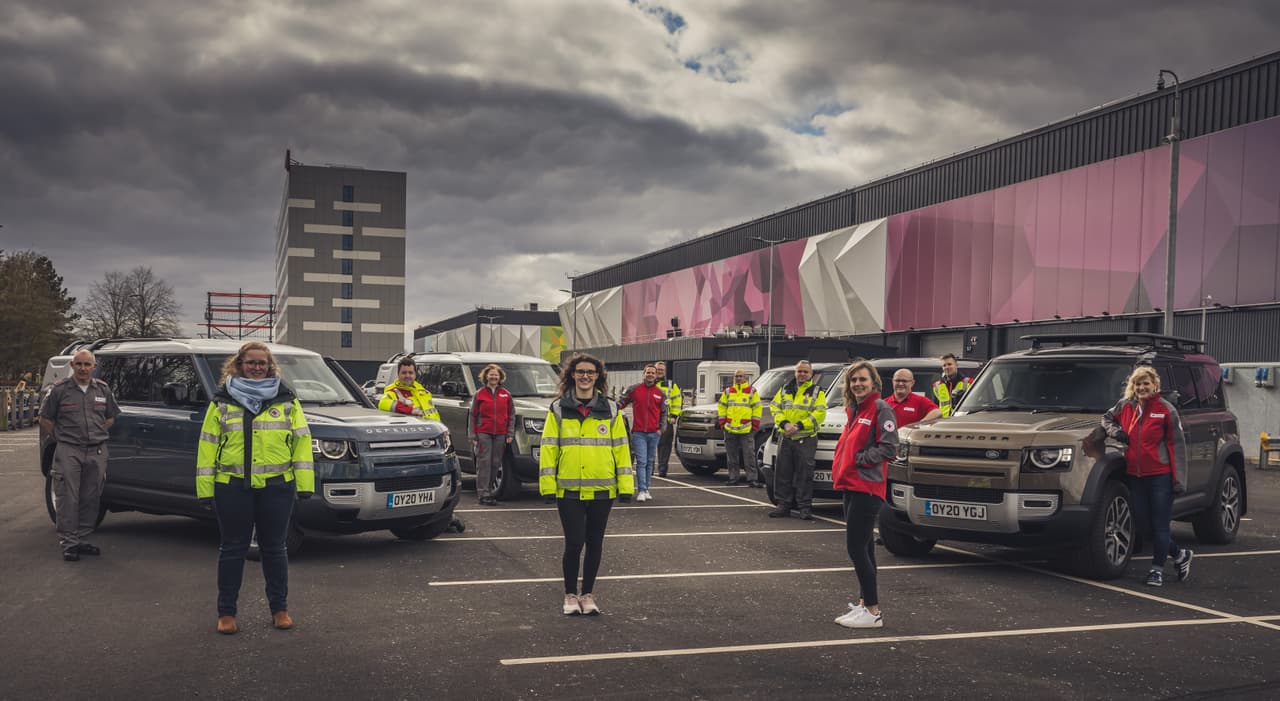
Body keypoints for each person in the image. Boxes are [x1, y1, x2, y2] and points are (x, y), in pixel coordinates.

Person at [196, 342, 314, 635]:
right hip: (232, 487)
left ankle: (280, 609)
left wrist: (305, 485)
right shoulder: (221, 402)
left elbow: (301, 443)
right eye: (251, 362)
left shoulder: (287, 401)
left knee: (275, 549)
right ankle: (226, 613)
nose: (257, 367)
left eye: (262, 363)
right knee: (232, 549)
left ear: (270, 366)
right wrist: (205, 489)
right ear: (239, 364)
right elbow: (207, 446)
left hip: (277, 487)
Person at [540, 354, 634, 615]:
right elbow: (548, 448)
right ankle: (570, 595)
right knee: (574, 543)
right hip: (568, 489)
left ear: (597, 376)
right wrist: (547, 486)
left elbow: (621, 449)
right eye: (580, 372)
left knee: (595, 543)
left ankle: (588, 594)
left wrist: (626, 486)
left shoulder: (611, 409)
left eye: (590, 372)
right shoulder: (558, 408)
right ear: (572, 375)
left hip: (603, 489)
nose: (585, 376)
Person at [1101, 366, 1193, 587]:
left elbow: (1177, 446)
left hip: (1160, 476)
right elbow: (1106, 419)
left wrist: (1179, 479)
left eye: (1146, 383)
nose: (1142, 387)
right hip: (1135, 476)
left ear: (1155, 386)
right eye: (1138, 384)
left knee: (1160, 525)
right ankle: (1180, 555)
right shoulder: (1125, 406)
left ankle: (1156, 570)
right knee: (1143, 525)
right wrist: (1116, 432)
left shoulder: (1166, 410)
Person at [831, 360, 898, 629]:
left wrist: (860, 459)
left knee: (856, 548)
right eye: (854, 380)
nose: (858, 384)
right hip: (850, 485)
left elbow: (890, 448)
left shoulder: (881, 408)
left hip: (866, 487)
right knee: (866, 548)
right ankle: (864, 604)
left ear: (873, 383)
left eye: (863, 379)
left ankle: (873, 611)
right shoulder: (854, 409)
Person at [39, 350, 120, 562]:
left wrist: (96, 432)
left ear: (94, 367)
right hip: (69, 450)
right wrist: (60, 437)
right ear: (72, 366)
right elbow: (45, 418)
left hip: (96, 450)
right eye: (79, 364)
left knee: (91, 497)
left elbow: (111, 416)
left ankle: (82, 539)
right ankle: (69, 543)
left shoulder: (102, 389)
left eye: (87, 364)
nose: (83, 368)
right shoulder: (60, 390)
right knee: (67, 497)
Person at [768, 360, 827, 520]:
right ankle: (783, 505)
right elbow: (774, 407)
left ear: (811, 374)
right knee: (782, 472)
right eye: (799, 371)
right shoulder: (785, 389)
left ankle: (804, 508)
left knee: (805, 475)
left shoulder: (817, 391)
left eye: (805, 372)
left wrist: (799, 426)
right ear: (795, 373)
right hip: (786, 437)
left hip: (806, 438)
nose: (802, 374)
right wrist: (784, 424)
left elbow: (819, 414)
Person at [617, 364, 666, 502]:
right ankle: (642, 490)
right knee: (642, 462)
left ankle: (647, 489)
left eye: (653, 373)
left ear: (656, 376)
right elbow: (620, 403)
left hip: (654, 433)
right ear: (643, 374)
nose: (650, 375)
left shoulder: (660, 393)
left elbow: (664, 413)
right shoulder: (634, 389)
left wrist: (660, 429)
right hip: (638, 433)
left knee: (650, 462)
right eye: (648, 372)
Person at [469, 363, 515, 506]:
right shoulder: (479, 394)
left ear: (500, 377)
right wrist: (473, 436)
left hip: (501, 434)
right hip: (483, 433)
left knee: (495, 463)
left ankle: (489, 491)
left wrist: (510, 433)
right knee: (484, 463)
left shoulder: (506, 395)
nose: (494, 377)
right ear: (486, 376)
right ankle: (483, 494)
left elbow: (511, 415)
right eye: (491, 374)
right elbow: (472, 415)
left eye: (496, 375)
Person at [718, 368, 762, 487]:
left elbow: (757, 408)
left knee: (749, 455)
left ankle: (752, 479)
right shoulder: (728, 392)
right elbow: (721, 407)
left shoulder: (752, 391)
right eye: (736, 376)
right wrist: (722, 422)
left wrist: (755, 424)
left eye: (740, 376)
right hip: (730, 428)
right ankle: (733, 478)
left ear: (745, 377)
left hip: (746, 429)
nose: (738, 378)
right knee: (731, 456)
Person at [653, 361, 682, 477]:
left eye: (661, 370)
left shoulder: (671, 385)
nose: (659, 372)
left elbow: (677, 400)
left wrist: (674, 416)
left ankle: (662, 470)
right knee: (649, 445)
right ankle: (649, 469)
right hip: (650, 420)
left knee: (664, 446)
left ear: (665, 372)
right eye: (658, 370)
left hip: (666, 420)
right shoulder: (648, 383)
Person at [931, 353, 974, 418]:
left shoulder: (969, 383)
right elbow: (935, 408)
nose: (947, 367)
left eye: (949, 364)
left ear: (956, 365)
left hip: (961, 421)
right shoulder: (937, 386)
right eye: (944, 365)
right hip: (943, 422)